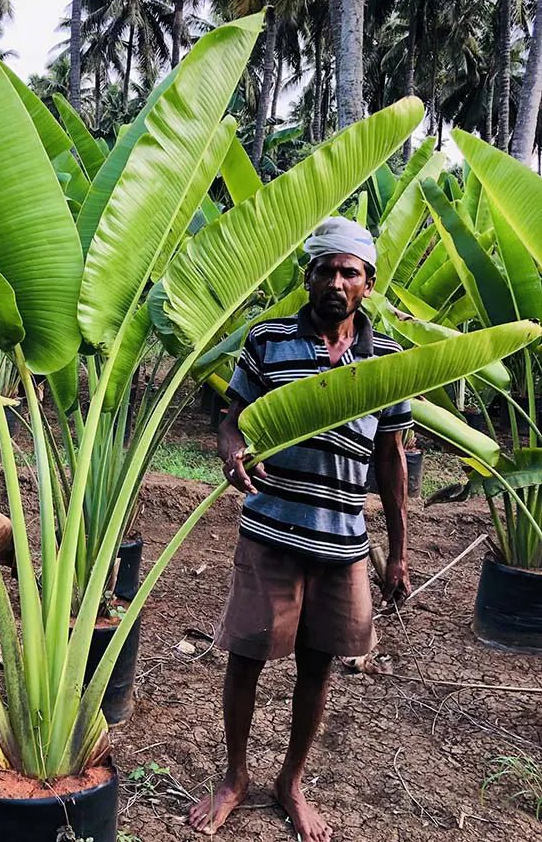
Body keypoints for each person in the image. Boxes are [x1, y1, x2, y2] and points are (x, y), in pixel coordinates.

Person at [189, 217, 413, 840]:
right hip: (271, 533)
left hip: (343, 542)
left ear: (368, 283)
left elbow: (392, 459)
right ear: (308, 277)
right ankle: (235, 778)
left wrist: (398, 552)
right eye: (326, 270)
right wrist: (231, 448)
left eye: (350, 273)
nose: (337, 282)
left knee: (318, 665)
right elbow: (232, 420)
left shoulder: (390, 360)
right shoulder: (268, 341)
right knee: (247, 657)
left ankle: (291, 782)